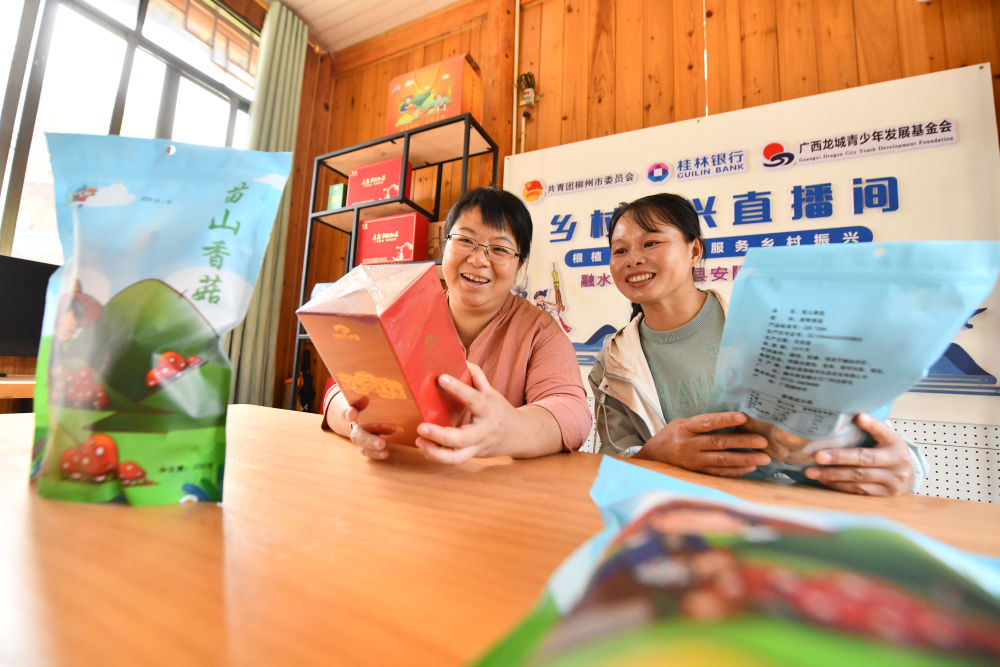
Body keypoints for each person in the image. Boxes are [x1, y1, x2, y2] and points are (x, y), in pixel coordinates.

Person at [588, 193, 927, 496]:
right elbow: (614, 461)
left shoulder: (775, 325)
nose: (633, 259)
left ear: (694, 251)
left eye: (650, 243)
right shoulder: (614, 360)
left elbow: (869, 436)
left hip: (791, 509)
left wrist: (903, 466)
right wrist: (654, 454)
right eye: (620, 250)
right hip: (680, 517)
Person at [324, 187, 592, 463]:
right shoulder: (404, 314)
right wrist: (355, 421)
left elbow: (571, 411)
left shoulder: (540, 331)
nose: (478, 260)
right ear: (445, 247)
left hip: (494, 485)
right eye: (465, 240)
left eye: (499, 249)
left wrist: (509, 430)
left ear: (519, 265)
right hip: (406, 472)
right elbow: (338, 391)